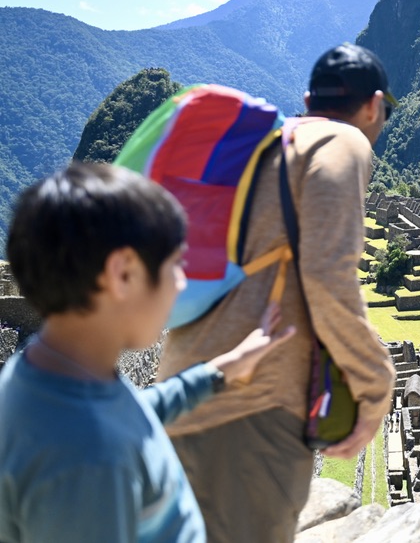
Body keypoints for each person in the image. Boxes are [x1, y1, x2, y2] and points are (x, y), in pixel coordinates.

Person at [156, 43, 398, 542]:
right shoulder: (342, 143)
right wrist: (375, 386)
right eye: (386, 112)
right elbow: (329, 276)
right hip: (253, 409)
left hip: (185, 384)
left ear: (308, 98)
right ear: (374, 105)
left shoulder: (266, 148)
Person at [0, 163, 295, 542]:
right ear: (122, 274)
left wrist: (225, 368)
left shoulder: (52, 374)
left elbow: (129, 415)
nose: (181, 283)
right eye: (175, 266)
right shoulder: (87, 464)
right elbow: (104, 439)